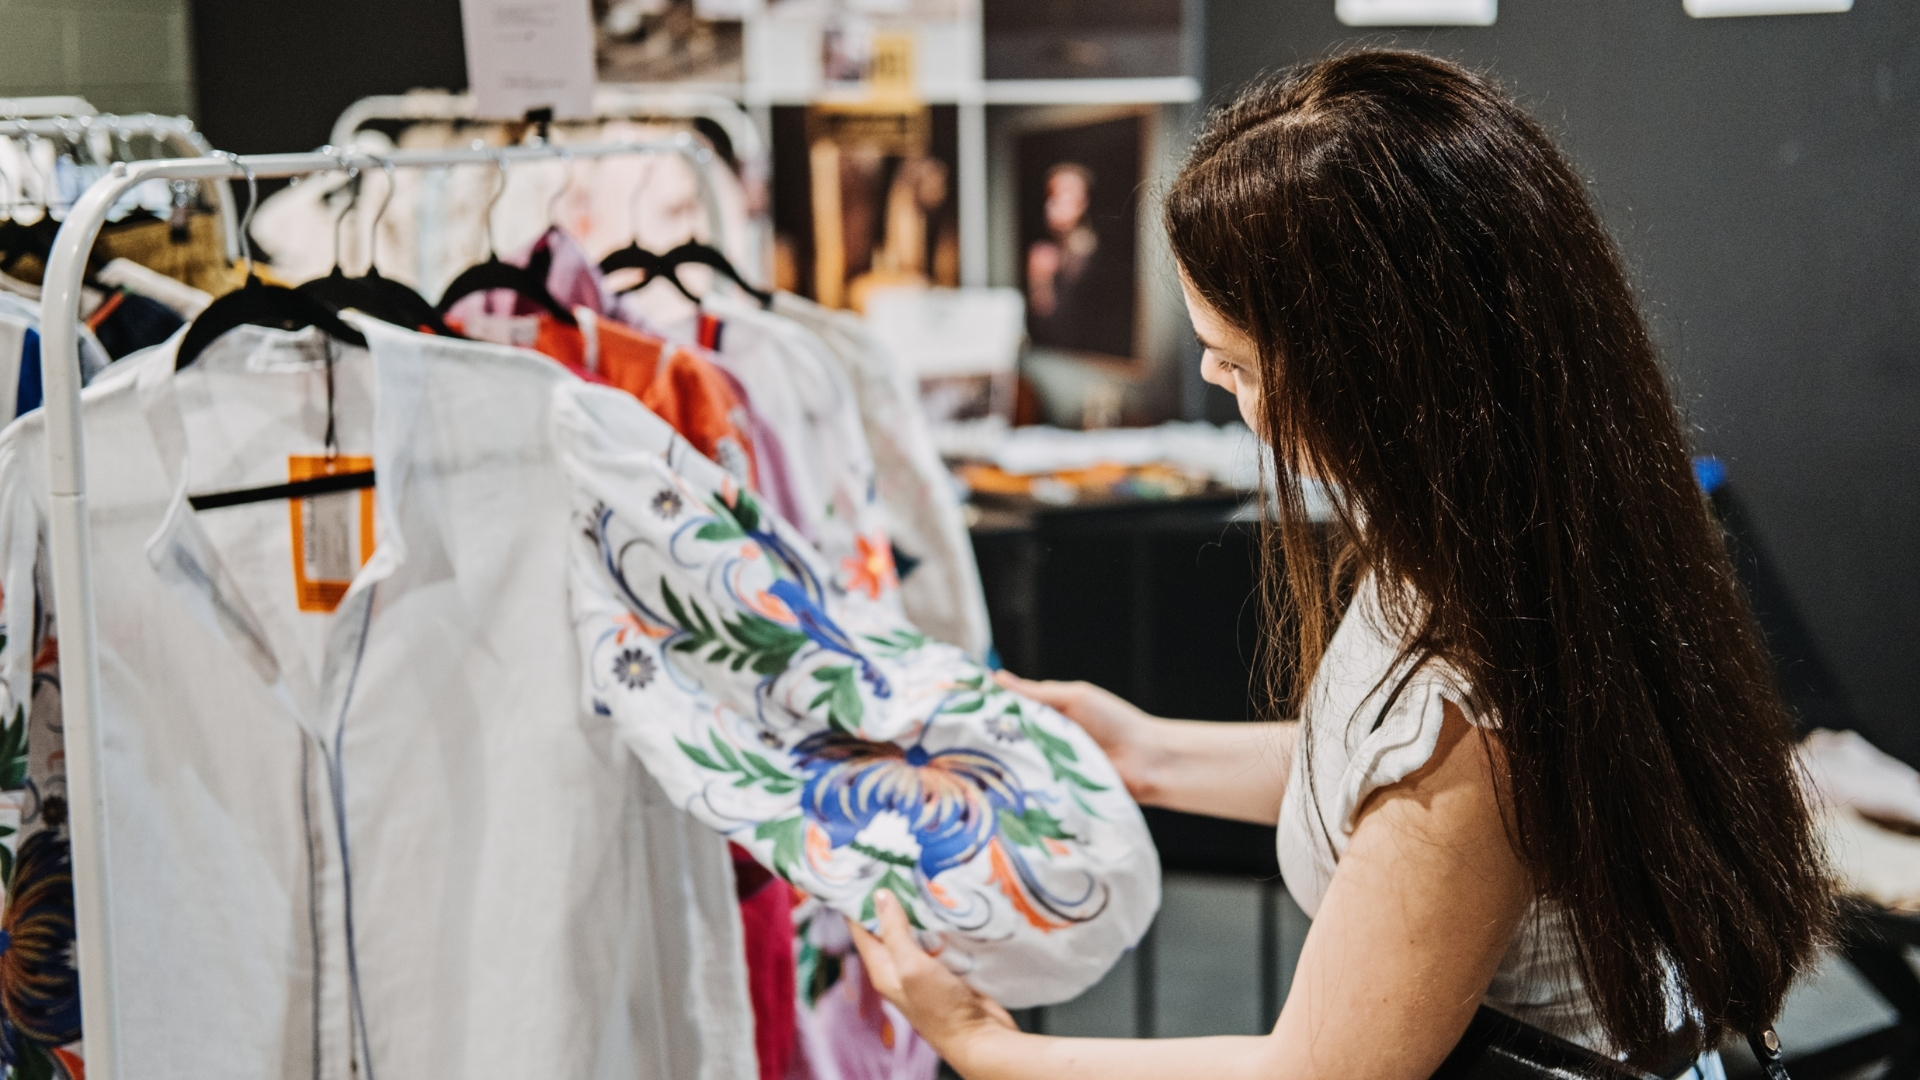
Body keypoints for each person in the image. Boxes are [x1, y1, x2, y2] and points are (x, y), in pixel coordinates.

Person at [848, 50, 1831, 1080]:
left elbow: (1320, 1071)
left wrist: (980, 1047)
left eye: (1233, 362)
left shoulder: (1481, 687)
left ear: (1371, 372)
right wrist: (1146, 754)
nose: (1211, 378)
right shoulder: (1510, 544)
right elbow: (1381, 772)